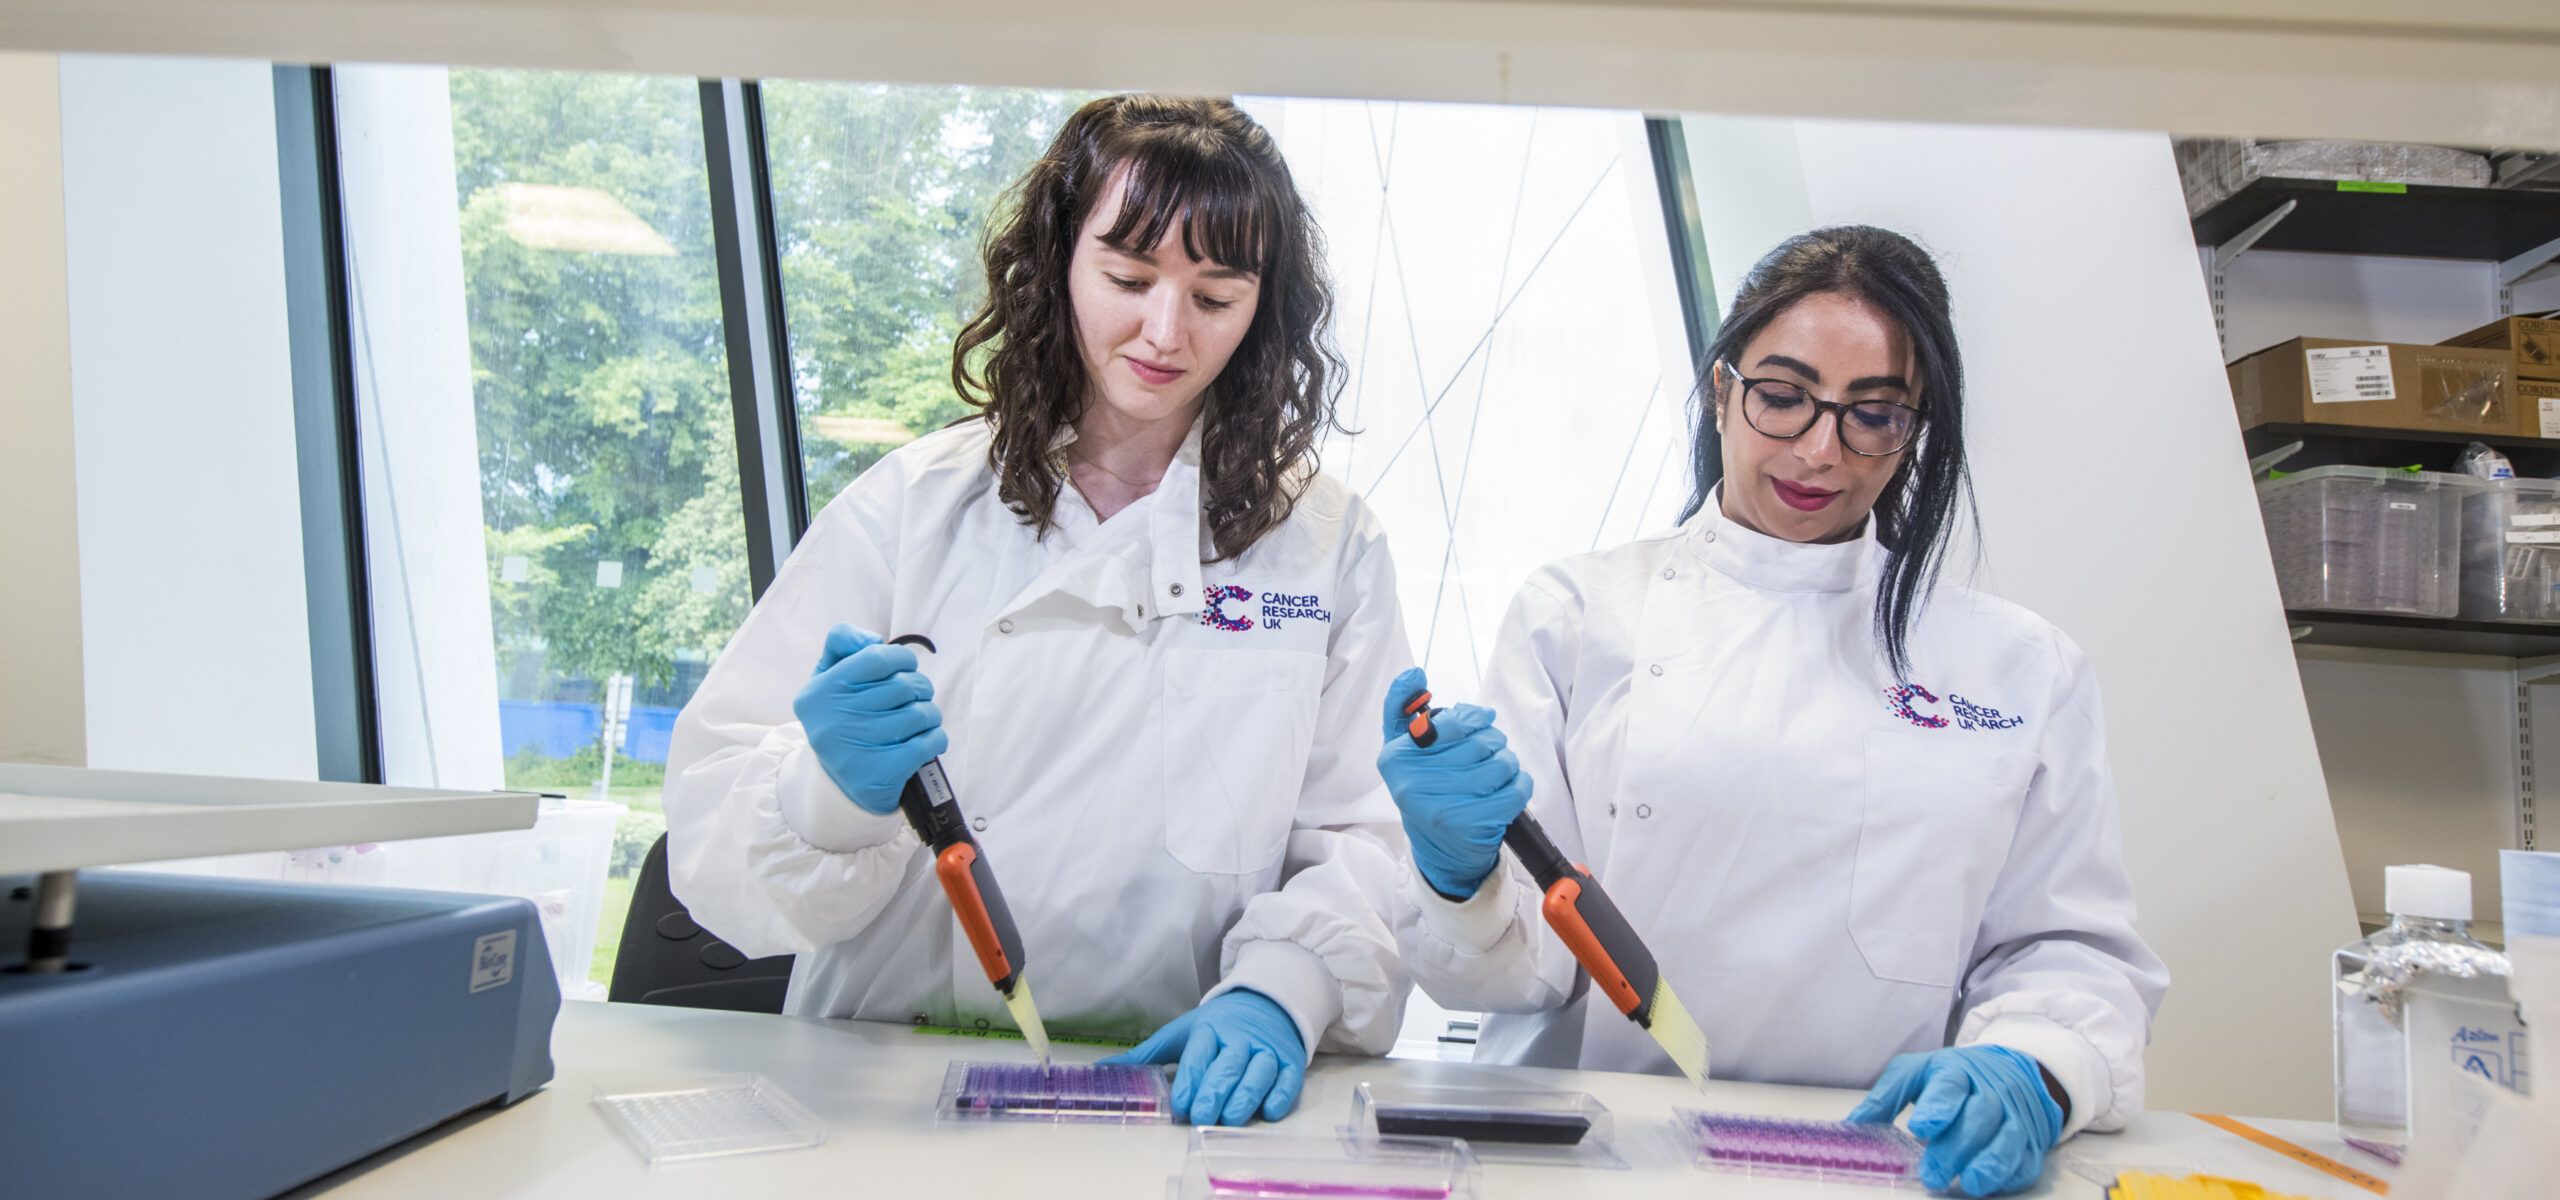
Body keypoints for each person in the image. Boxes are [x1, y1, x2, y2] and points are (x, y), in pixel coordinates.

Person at [661, 94, 1415, 1127]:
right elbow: (709, 834)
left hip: (1170, 1091)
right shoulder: (912, 507)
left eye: (1214, 295)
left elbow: (1362, 838)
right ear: (1059, 260)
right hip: (886, 1086)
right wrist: (822, 794)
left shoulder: (1324, 545)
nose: (1164, 331)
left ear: (1263, 310)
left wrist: (1282, 990)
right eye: (1128, 277)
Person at [1379, 226, 2168, 1196]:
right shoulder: (1581, 617)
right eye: (1783, 397)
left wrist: (2034, 1066)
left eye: (1871, 414)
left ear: (1916, 429)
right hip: (1593, 1160)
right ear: (1721, 390)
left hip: (1880, 1159)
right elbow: (1515, 974)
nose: (1818, 449)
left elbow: (2067, 948)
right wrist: (1459, 882)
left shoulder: (2018, 669)